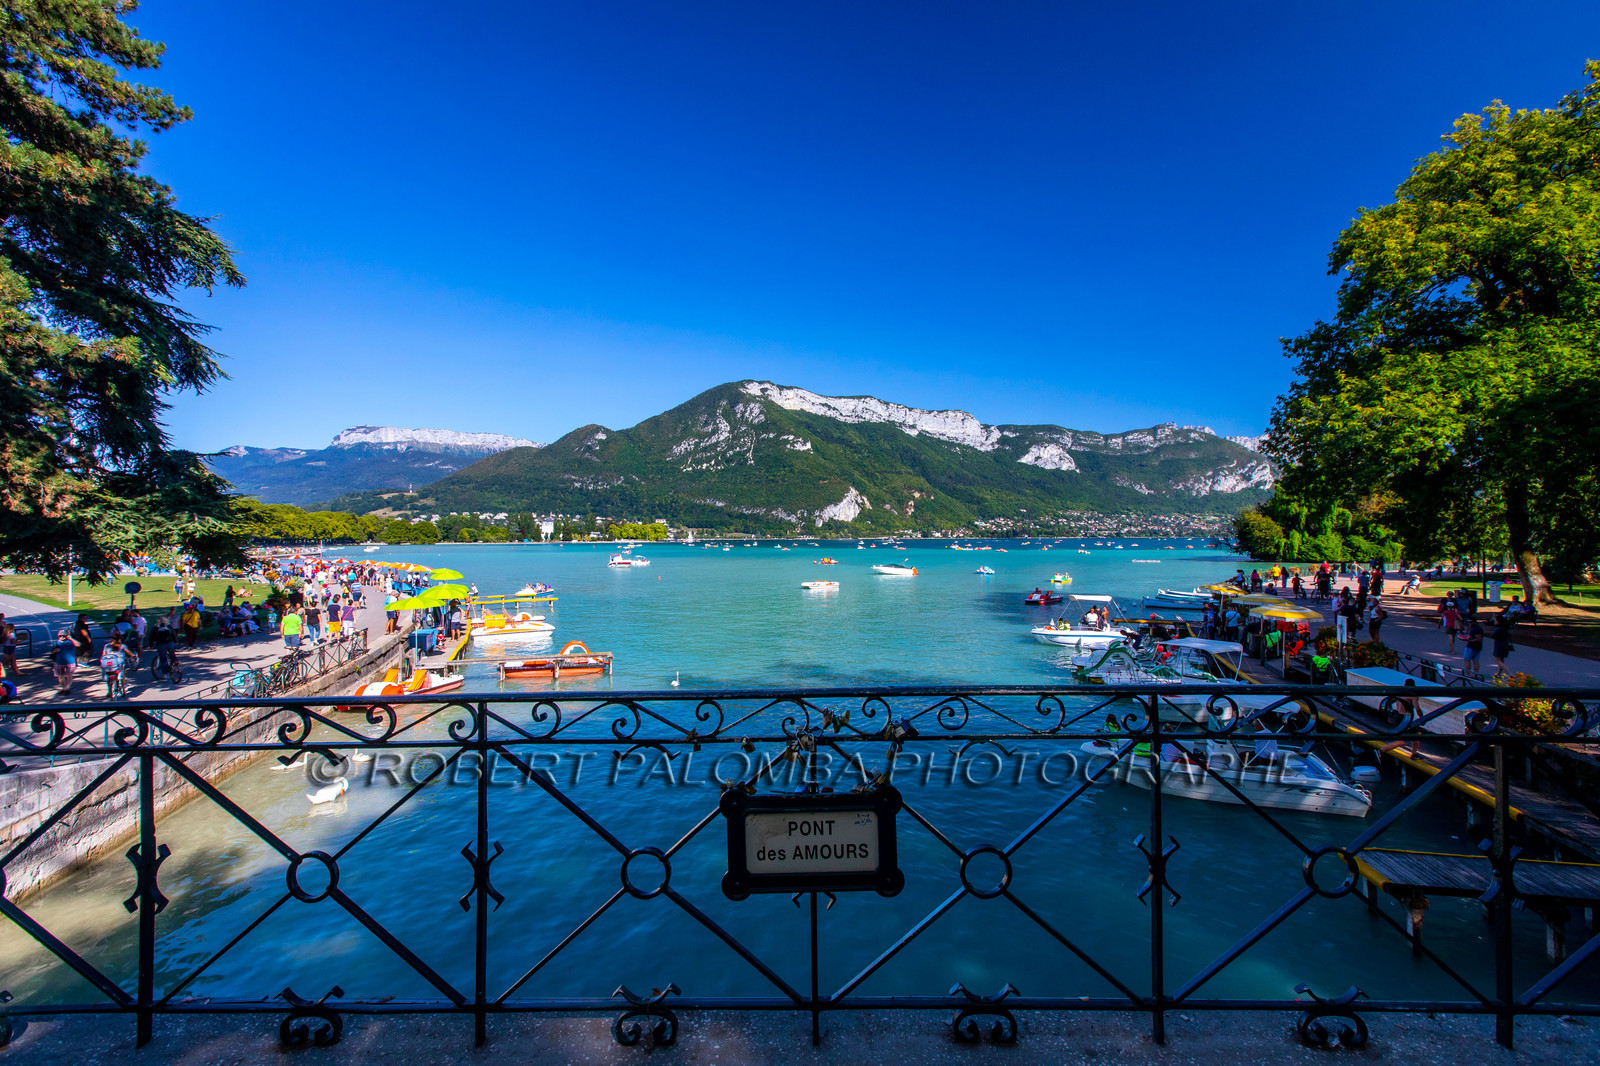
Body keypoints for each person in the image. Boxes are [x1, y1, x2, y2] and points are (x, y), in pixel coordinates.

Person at [51, 629, 77, 695]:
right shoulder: (56, 643)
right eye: (60, 636)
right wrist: (55, 651)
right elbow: (51, 652)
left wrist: (71, 638)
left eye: (64, 636)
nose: (62, 637)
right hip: (59, 662)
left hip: (70, 662)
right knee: (60, 676)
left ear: (67, 636)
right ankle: (64, 688)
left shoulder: (70, 642)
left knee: (69, 675)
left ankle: (67, 688)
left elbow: (78, 644)